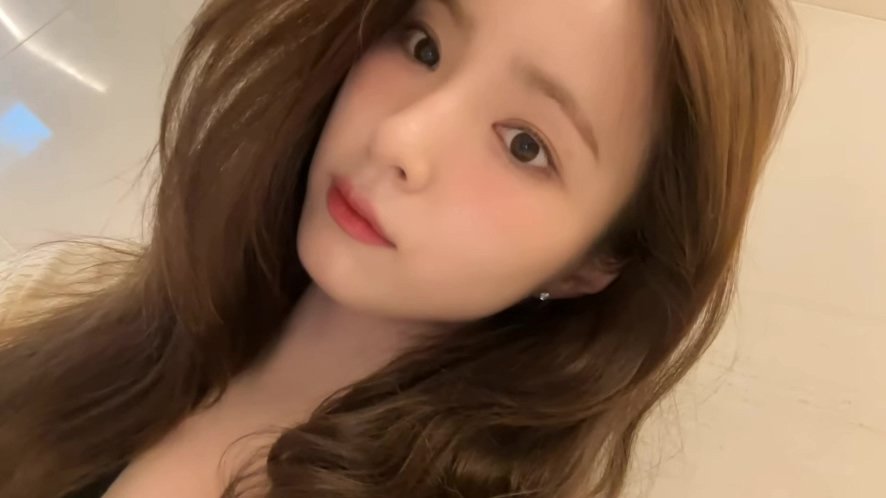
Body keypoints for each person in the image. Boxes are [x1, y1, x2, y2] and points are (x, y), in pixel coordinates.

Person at [0, 0, 796, 497]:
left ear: (594, 263)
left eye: (524, 145)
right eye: (423, 47)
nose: (401, 137)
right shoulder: (81, 304)